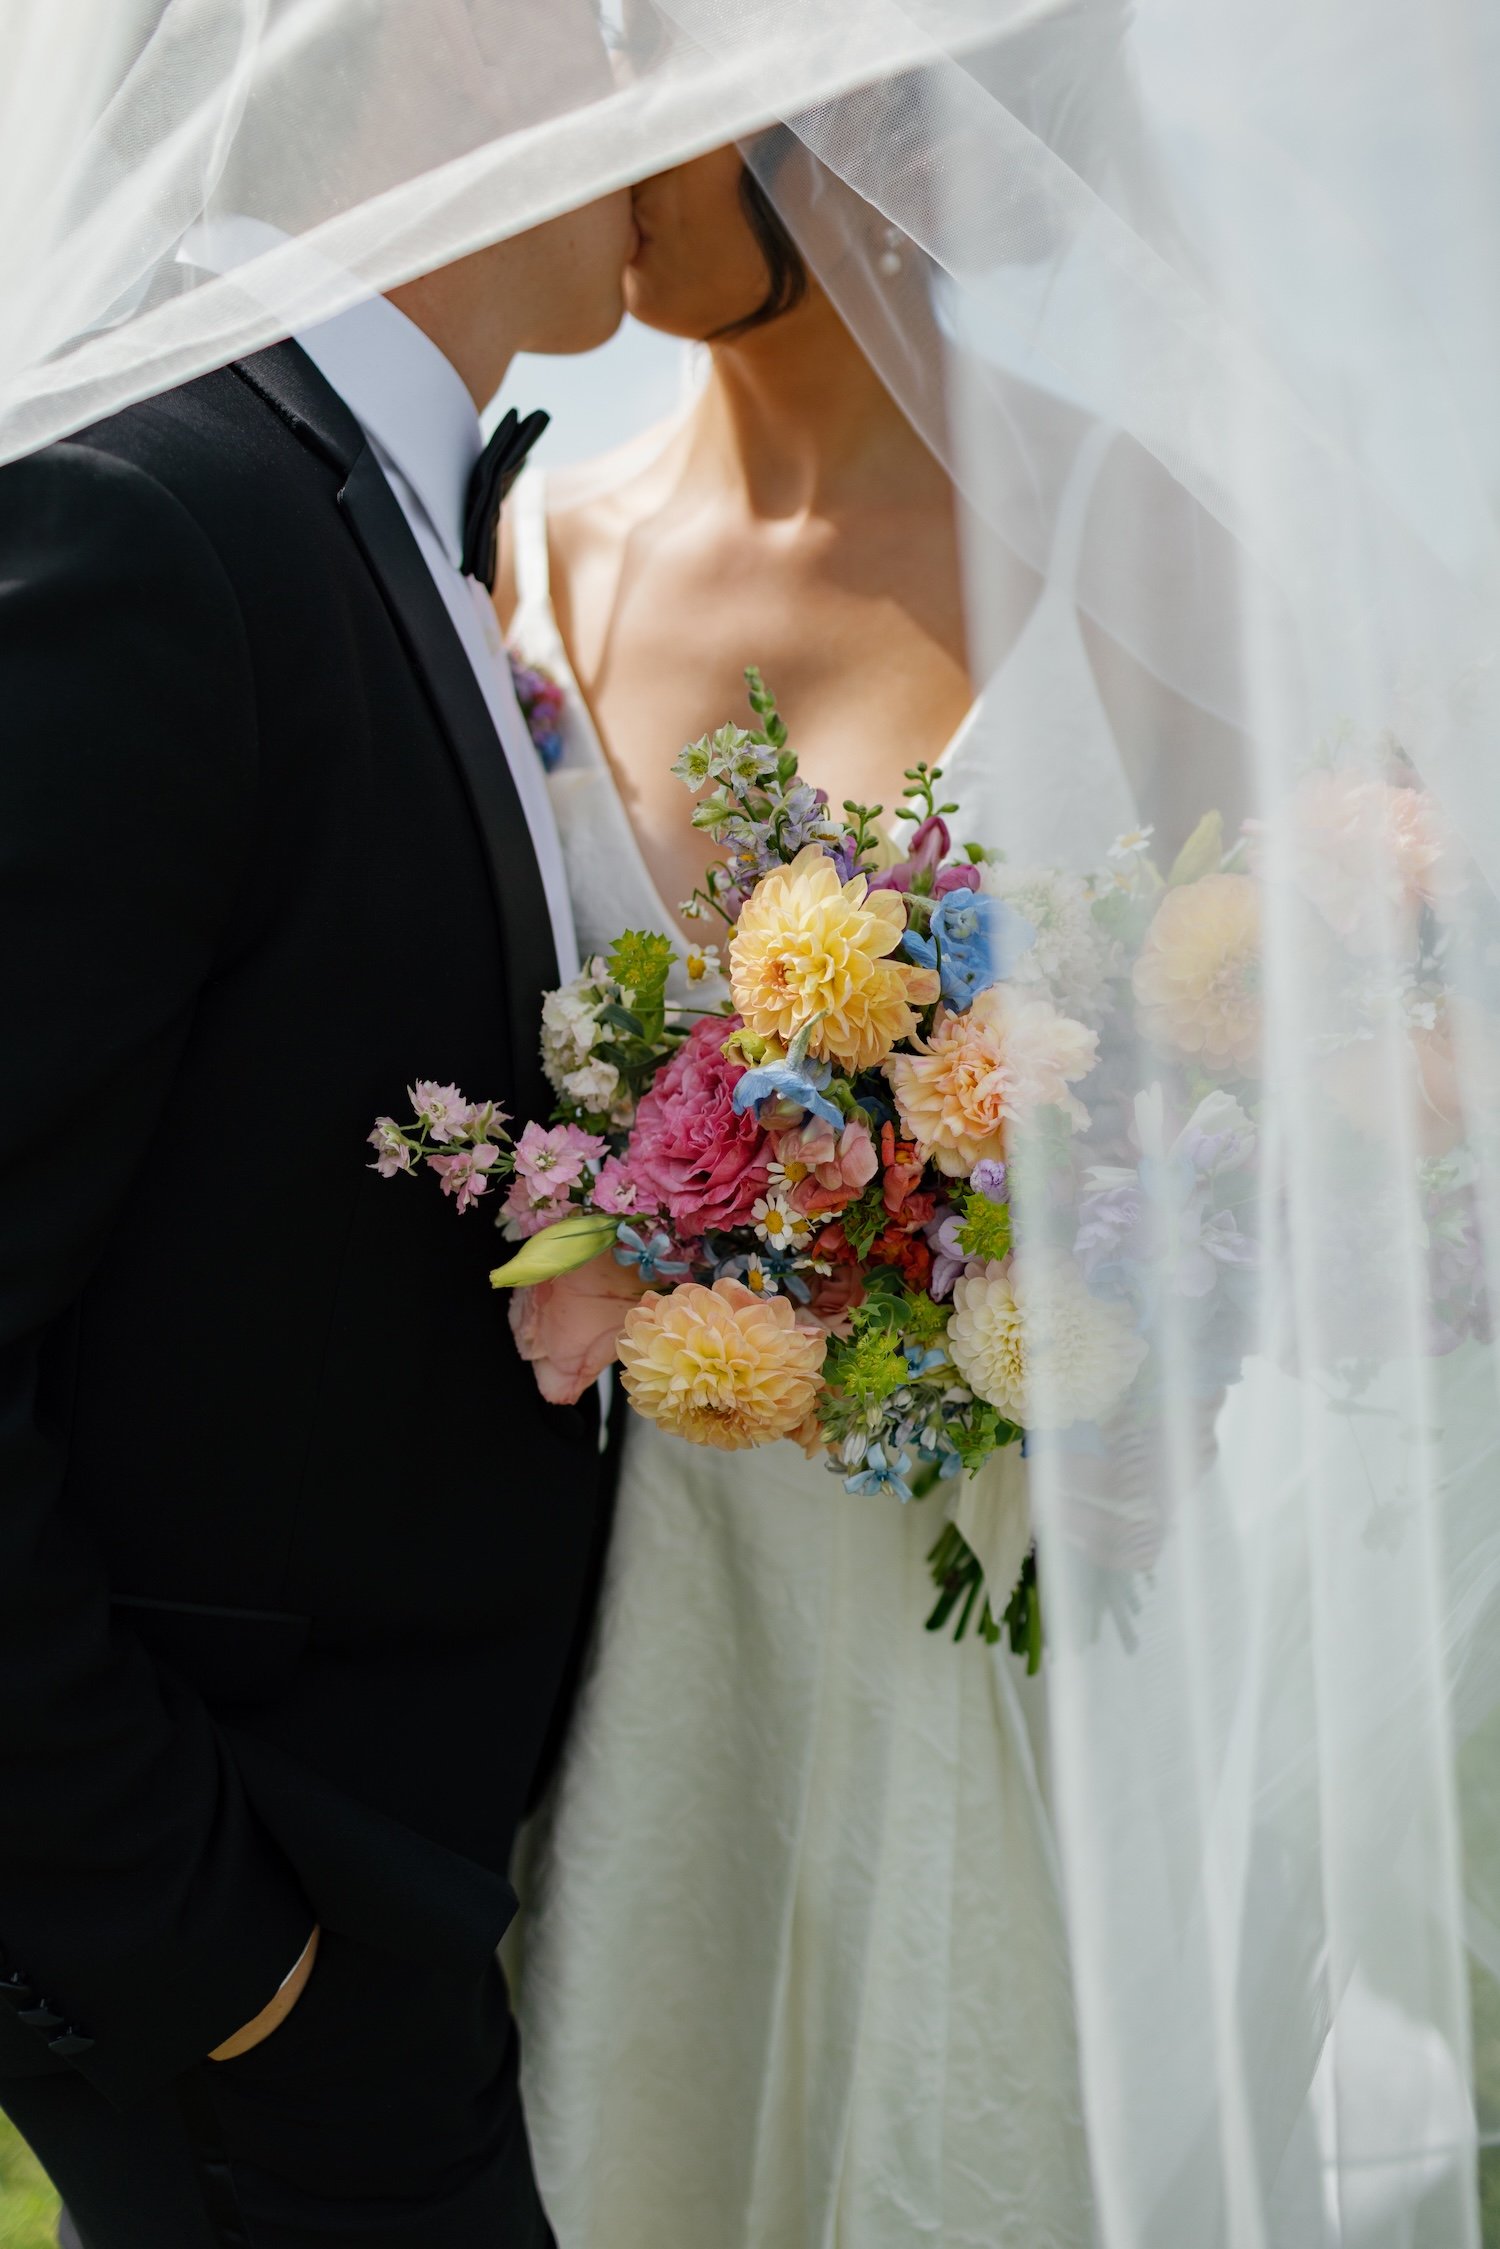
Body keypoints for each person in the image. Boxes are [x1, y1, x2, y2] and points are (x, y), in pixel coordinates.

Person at [494, 139, 1212, 2247]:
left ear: (875, 110)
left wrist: (1144, 1322)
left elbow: (1343, 1084)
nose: (610, 138)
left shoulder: (1140, 543)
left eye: (678, 66)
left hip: (990, 1616)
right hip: (589, 1636)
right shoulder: (538, 554)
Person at [0, 169, 634, 2248]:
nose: (659, 97)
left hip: (429, 1902)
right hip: (259, 1962)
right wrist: (216, 1953)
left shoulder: (367, 510)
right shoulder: (148, 509)